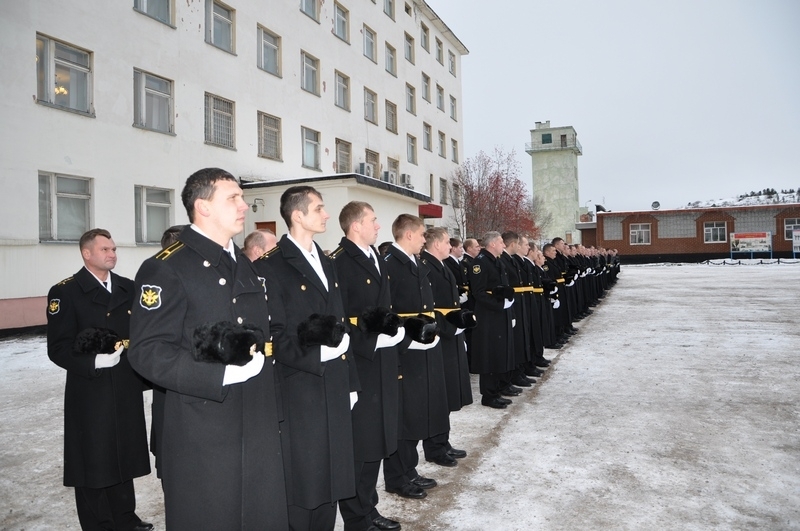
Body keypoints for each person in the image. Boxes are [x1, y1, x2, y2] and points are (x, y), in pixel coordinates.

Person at [129, 168, 288, 530]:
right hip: (205, 427)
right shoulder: (166, 268)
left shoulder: (244, 264)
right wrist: (219, 374)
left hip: (258, 419)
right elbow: (148, 352)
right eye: (232, 198)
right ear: (202, 206)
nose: (243, 205)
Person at [253, 185, 357, 530]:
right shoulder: (273, 266)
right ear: (297, 215)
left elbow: (339, 324)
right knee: (304, 481)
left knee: (331, 478)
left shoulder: (325, 261)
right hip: (300, 386)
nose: (326, 215)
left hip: (334, 382)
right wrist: (318, 354)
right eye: (319, 208)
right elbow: (274, 337)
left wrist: (351, 380)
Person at [46, 228, 152, 531]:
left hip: (124, 384)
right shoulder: (65, 292)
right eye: (105, 249)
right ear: (86, 253)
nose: (112, 254)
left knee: (123, 454)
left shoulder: (127, 288)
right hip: (90, 389)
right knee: (92, 460)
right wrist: (93, 361)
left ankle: (125, 518)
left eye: (114, 249)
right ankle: (99, 523)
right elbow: (58, 348)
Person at [331, 201, 405, 531]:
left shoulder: (375, 257)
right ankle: (357, 518)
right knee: (361, 445)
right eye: (373, 220)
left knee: (376, 440)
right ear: (356, 225)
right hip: (359, 363)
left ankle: (368, 508)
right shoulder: (339, 262)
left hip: (383, 362)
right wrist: (371, 342)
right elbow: (336, 319)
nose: (378, 226)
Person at [382, 214, 448, 500]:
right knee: (404, 417)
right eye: (422, 234)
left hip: (420, 346)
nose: (425, 239)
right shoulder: (389, 266)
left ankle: (409, 469)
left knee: (415, 412)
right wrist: (409, 339)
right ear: (408, 234)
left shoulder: (414, 262)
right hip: (403, 351)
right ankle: (397, 477)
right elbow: (388, 313)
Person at [420, 227, 473, 467]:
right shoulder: (426, 267)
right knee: (439, 394)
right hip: (440, 336)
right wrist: (450, 327)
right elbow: (428, 310)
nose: (450, 246)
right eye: (445, 242)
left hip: (450, 334)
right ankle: (435, 447)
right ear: (435, 244)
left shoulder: (442, 265)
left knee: (448, 391)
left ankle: (444, 441)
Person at [468, 231, 516, 409]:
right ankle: (488, 395)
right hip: (488, 315)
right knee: (488, 354)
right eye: (501, 242)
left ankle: (496, 390)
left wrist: (506, 302)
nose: (504, 245)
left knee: (498, 352)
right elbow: (478, 292)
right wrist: (499, 305)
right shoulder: (480, 263)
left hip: (499, 314)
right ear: (493, 244)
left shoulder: (496, 261)